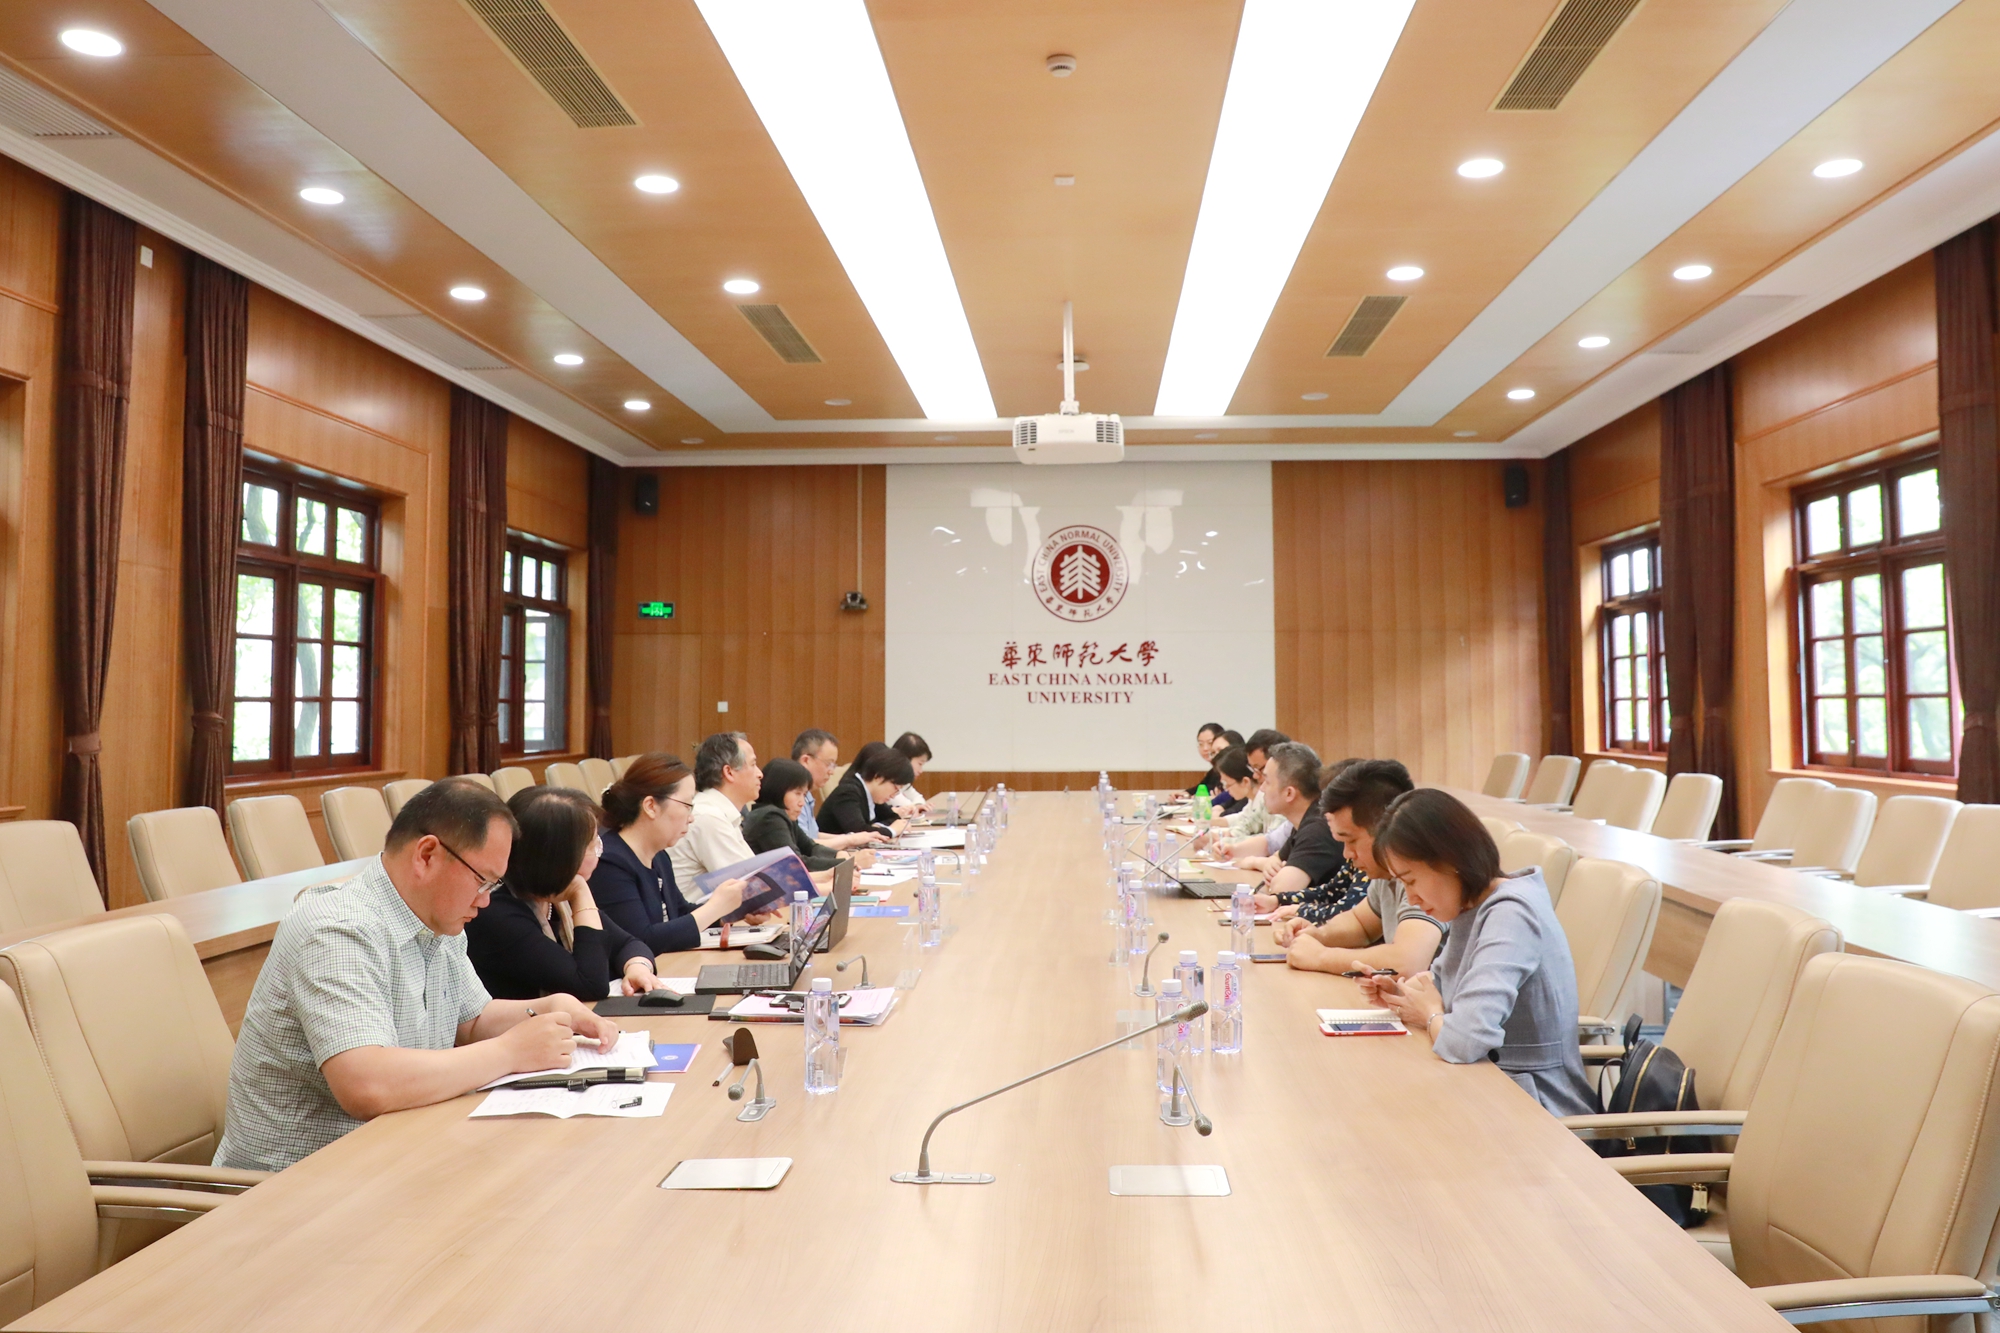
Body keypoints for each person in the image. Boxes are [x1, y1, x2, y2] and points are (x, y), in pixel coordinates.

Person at [215, 779, 620, 1173]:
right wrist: (509, 1052)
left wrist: (549, 1007)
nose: (485, 901)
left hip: (394, 1156)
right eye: (482, 881)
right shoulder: (338, 929)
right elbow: (367, 1085)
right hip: (297, 1183)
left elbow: (471, 1021)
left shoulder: (438, 919)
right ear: (427, 855)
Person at [1356, 789, 1598, 1117]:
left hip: (1539, 1109)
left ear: (1450, 861)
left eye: (1411, 881)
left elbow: (1465, 1040)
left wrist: (1430, 1014)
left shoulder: (1511, 913)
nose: (1411, 898)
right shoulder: (1470, 905)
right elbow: (1440, 991)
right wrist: (1400, 995)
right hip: (1488, 1088)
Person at [465, 786, 663, 1002]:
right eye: (592, 846)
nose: (600, 852)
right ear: (560, 858)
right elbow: (590, 984)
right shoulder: (498, 914)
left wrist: (637, 967)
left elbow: (628, 943)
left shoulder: (555, 900)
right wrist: (581, 892)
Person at [1277, 759, 1444, 980]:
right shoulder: (1386, 873)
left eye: (1352, 841)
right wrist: (1317, 934)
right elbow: (1361, 925)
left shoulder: (1423, 871)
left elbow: (1407, 962)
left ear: (1386, 828)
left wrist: (1320, 956)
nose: (1347, 854)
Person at [591, 753, 772, 953]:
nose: (691, 818)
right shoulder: (609, 862)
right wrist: (715, 907)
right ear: (650, 806)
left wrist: (731, 910)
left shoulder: (659, 856)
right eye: (687, 806)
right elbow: (641, 940)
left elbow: (679, 912)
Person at [1230, 742, 1343, 913]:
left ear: (1289, 793)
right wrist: (1270, 863)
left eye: (1267, 781)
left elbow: (1281, 890)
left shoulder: (1318, 829)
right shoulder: (1305, 819)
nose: (1262, 788)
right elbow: (1276, 858)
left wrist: (1271, 868)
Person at [667, 731, 763, 895]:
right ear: (729, 772)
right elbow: (751, 888)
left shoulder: (719, 812)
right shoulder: (708, 816)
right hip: (694, 911)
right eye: (753, 764)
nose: (760, 774)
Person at [744, 759, 843, 871]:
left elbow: (810, 848)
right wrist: (844, 863)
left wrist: (838, 854)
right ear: (778, 790)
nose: (802, 803)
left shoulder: (783, 815)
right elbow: (795, 864)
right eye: (797, 793)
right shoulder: (769, 818)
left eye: (804, 795)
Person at [791, 729, 878, 851]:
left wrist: (853, 838)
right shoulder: (789, 795)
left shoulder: (807, 794)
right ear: (806, 760)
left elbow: (813, 835)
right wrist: (849, 840)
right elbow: (804, 845)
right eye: (828, 764)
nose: (831, 772)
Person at [1209, 728, 1290, 845]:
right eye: (1253, 769)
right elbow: (1248, 822)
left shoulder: (1287, 797)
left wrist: (1225, 841)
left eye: (1259, 768)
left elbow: (1272, 841)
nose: (1255, 776)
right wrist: (1227, 836)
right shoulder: (1266, 792)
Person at [820, 743, 916, 835]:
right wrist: (891, 831)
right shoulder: (848, 792)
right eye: (895, 788)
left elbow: (893, 818)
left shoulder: (872, 794)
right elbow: (858, 832)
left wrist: (877, 827)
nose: (893, 795)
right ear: (879, 777)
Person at [890, 731, 932, 813]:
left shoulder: (903, 782)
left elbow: (918, 798)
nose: (921, 771)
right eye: (920, 764)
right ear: (906, 759)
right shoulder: (889, 780)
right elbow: (906, 806)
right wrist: (915, 807)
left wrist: (918, 805)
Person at [1210, 745, 1255, 817]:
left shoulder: (1261, 801)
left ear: (1245, 782)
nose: (1227, 790)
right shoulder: (1251, 802)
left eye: (1228, 784)